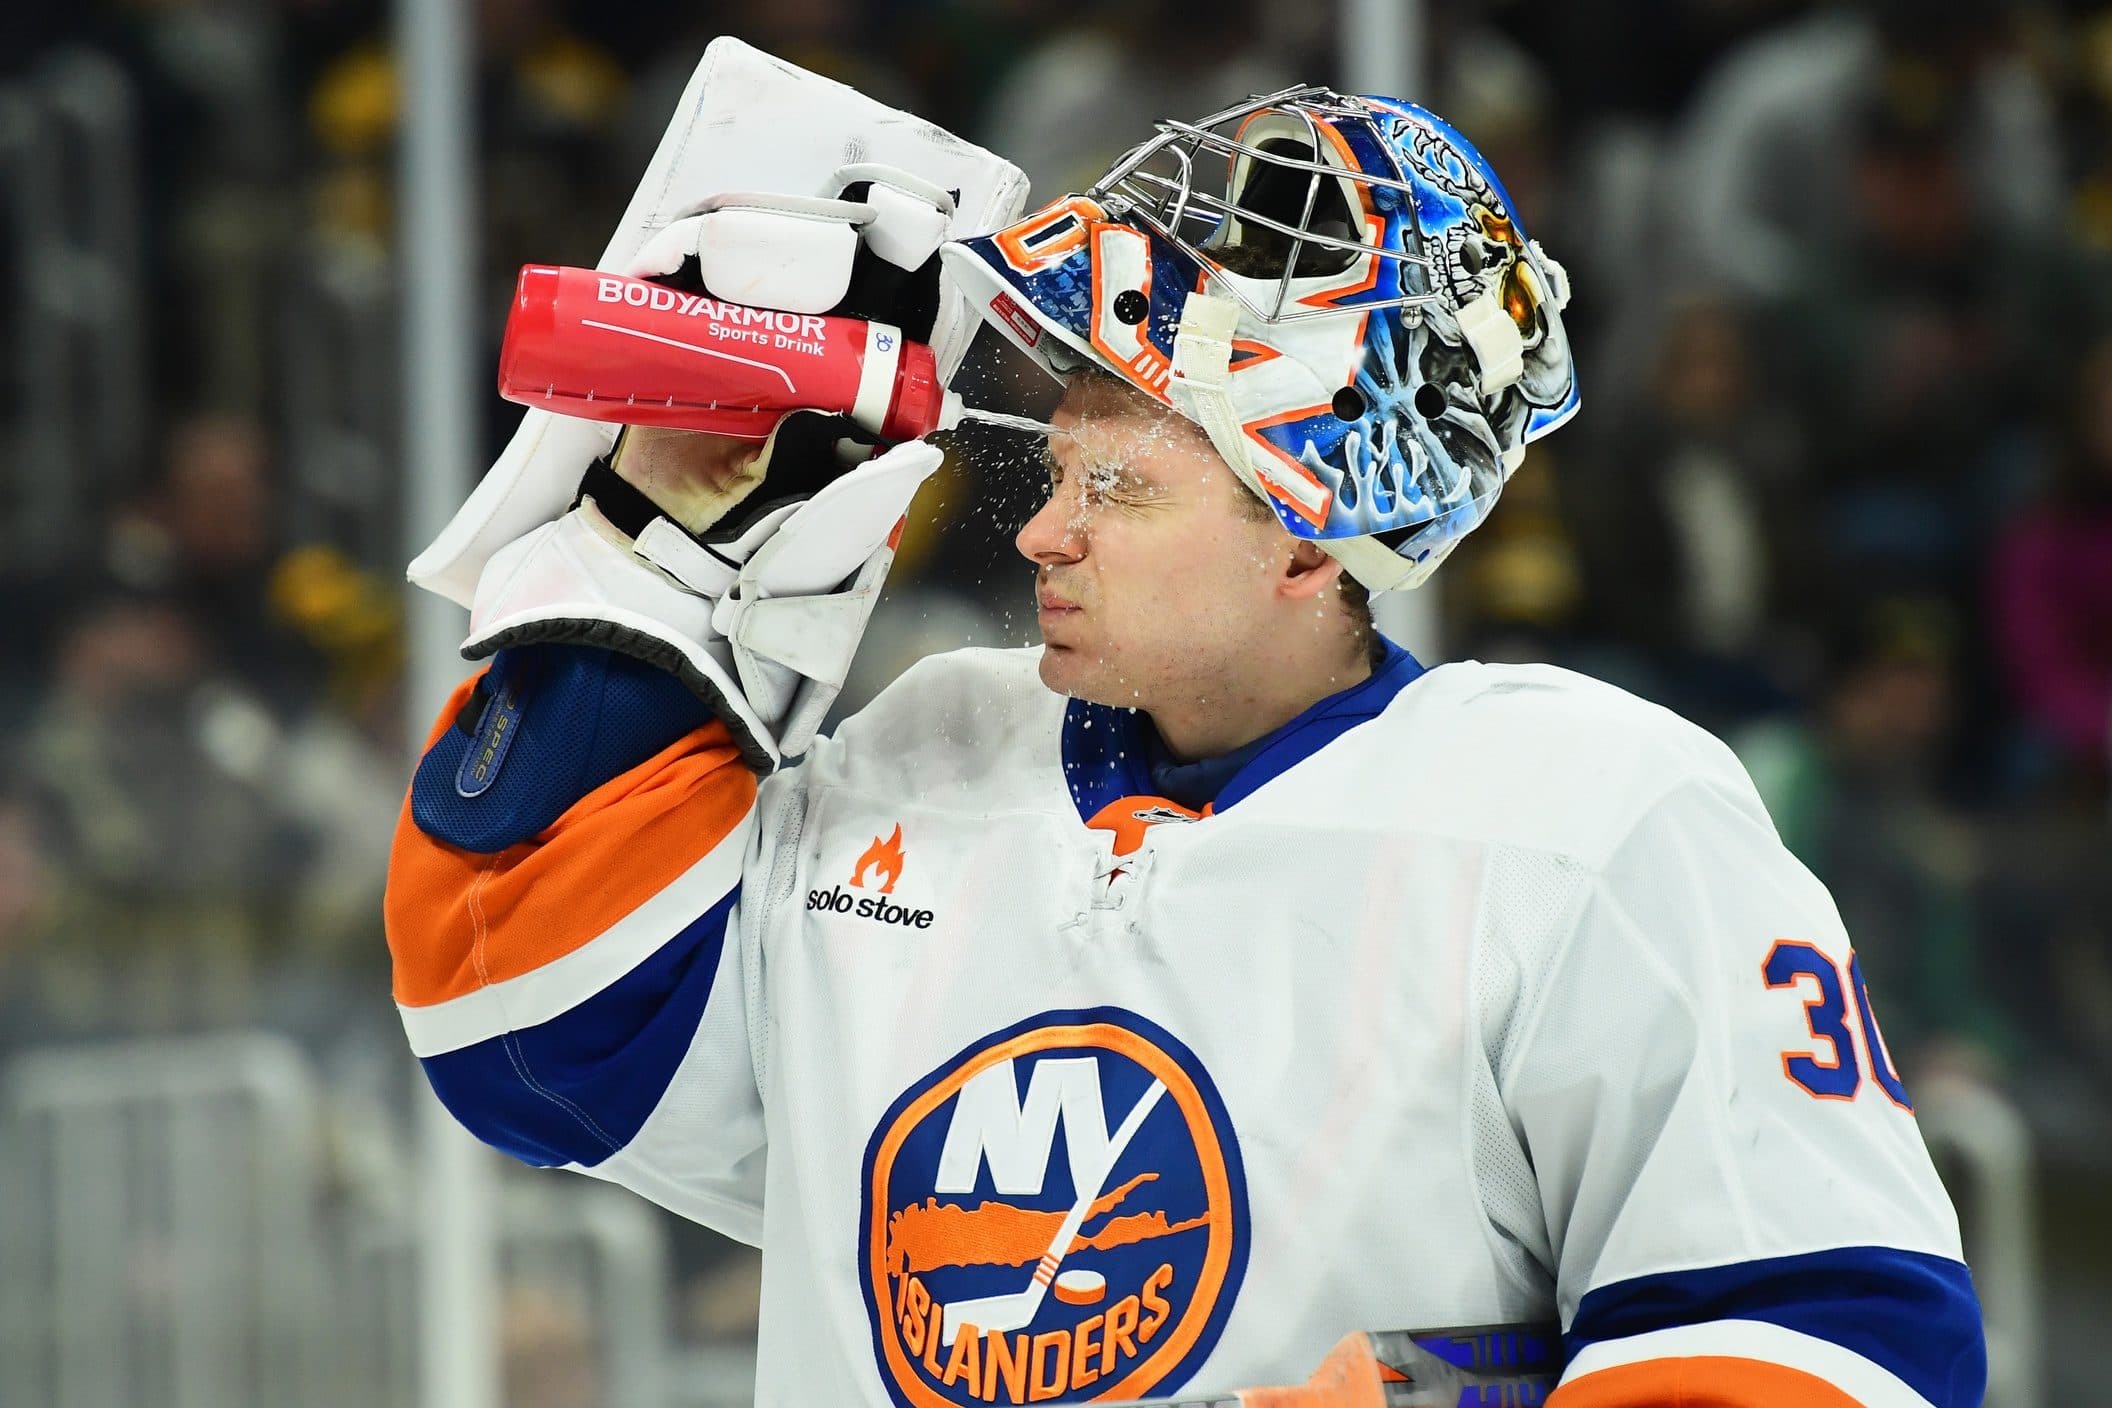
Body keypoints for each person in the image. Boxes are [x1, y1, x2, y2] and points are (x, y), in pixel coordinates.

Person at [386, 85, 1983, 1406]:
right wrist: (656, 541)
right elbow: (524, 1039)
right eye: (1060, 468)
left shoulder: (1588, 818)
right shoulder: (927, 750)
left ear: (1312, 540)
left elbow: (1836, 1340)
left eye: (1123, 490)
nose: (1043, 538)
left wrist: (1456, 1390)